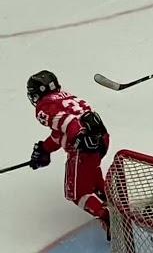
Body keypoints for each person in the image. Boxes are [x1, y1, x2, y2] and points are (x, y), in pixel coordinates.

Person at [27, 70, 110, 237]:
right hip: (102, 139)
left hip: (84, 147)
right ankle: (112, 201)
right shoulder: (67, 96)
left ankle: (109, 217)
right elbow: (60, 133)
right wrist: (45, 149)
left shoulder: (43, 106)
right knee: (92, 179)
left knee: (78, 193)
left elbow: (69, 123)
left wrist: (80, 136)